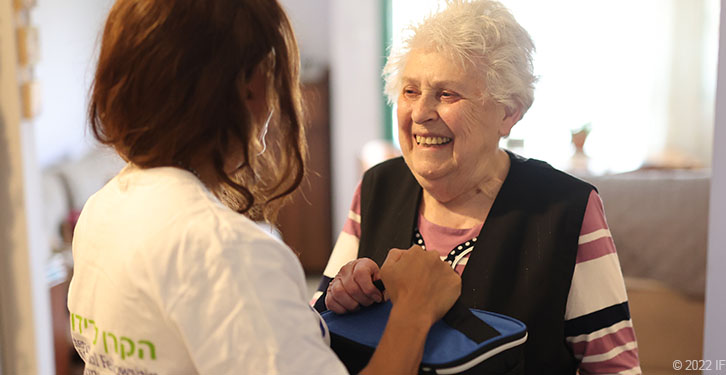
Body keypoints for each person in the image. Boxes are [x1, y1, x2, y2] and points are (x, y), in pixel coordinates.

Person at [67, 1, 461, 374]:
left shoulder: (101, 210)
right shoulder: (227, 252)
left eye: (447, 94)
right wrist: (415, 308)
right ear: (250, 85)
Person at [313, 1, 641, 374]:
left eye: (447, 94)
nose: (420, 113)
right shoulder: (377, 186)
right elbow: (317, 331)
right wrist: (341, 294)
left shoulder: (568, 209)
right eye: (410, 91)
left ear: (509, 112)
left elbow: (615, 368)